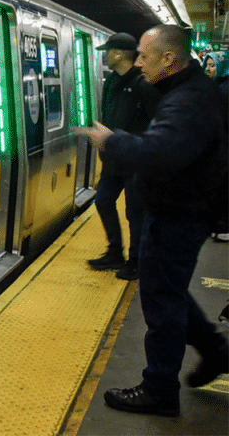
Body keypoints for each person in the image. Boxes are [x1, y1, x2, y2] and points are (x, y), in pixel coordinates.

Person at [74, 24, 229, 418]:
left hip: (180, 213)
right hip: (184, 209)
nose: (137, 62)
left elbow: (161, 152)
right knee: (169, 292)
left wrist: (110, 141)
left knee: (161, 303)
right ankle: (216, 352)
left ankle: (159, 388)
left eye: (144, 55)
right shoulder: (186, 91)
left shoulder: (187, 101)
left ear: (168, 59)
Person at [87, 32, 157, 280]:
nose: (105, 55)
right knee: (103, 201)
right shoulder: (110, 83)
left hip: (136, 160)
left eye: (107, 51)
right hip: (114, 158)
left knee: (135, 212)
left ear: (118, 54)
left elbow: (155, 122)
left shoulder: (143, 84)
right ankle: (115, 251)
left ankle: (136, 261)